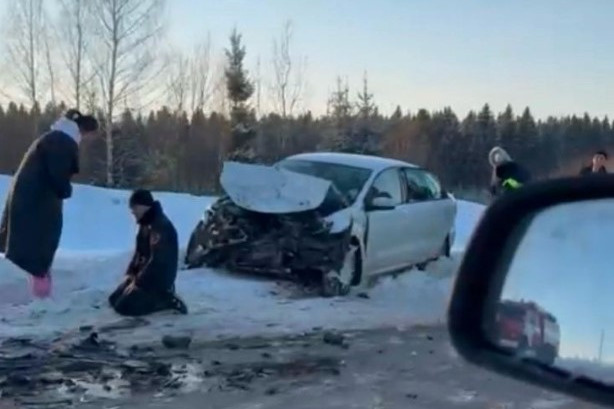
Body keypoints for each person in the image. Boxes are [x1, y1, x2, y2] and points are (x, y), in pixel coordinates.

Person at [0, 109, 98, 298]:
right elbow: (58, 176)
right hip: (37, 204)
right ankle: (40, 297)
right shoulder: (62, 142)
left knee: (37, 248)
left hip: (32, 200)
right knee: (39, 248)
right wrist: (65, 189)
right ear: (84, 130)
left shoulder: (54, 138)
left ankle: (39, 292)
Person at [108, 189, 188, 317]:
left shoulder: (160, 226)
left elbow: (158, 261)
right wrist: (132, 273)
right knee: (114, 299)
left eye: (134, 207)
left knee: (124, 307)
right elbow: (140, 252)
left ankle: (165, 301)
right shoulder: (145, 224)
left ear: (143, 206)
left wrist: (139, 281)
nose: (132, 211)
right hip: (146, 275)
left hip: (158, 279)